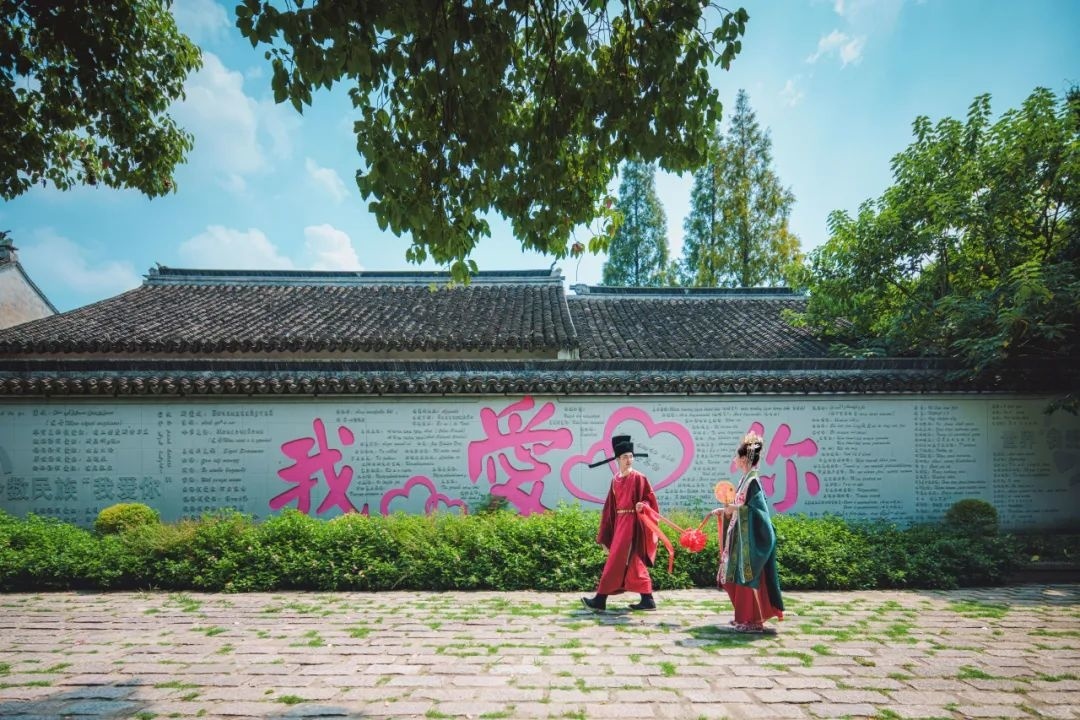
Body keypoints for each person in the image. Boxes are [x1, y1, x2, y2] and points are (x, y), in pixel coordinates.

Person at [709, 431, 784, 633]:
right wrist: (724, 510)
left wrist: (734, 509)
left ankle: (753, 621)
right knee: (734, 578)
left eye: (736, 456)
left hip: (749, 541)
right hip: (741, 538)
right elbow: (741, 507)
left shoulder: (753, 482)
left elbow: (758, 512)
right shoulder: (745, 480)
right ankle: (743, 618)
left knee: (746, 578)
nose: (734, 460)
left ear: (743, 459)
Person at [581, 434, 659, 612]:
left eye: (631, 456)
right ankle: (647, 600)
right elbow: (610, 508)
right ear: (617, 459)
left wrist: (643, 505)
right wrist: (606, 532)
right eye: (625, 457)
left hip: (633, 525)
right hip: (620, 525)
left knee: (616, 560)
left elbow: (649, 499)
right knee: (633, 561)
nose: (629, 460)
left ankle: (600, 600)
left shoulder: (639, 477)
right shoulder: (615, 480)